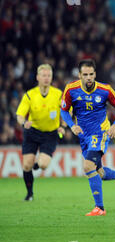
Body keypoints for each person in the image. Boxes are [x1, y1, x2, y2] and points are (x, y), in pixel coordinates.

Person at [60, 59, 115, 216]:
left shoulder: (105, 90)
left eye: (91, 74)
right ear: (79, 75)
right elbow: (64, 110)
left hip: (100, 133)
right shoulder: (71, 89)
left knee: (87, 167)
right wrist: (72, 125)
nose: (88, 78)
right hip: (83, 136)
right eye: (85, 74)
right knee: (100, 173)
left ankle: (100, 208)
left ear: (95, 74)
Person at [16, 64, 66, 201]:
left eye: (48, 75)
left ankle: (37, 164)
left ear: (51, 78)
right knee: (26, 165)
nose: (46, 78)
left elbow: (67, 112)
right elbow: (20, 114)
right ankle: (29, 194)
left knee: (43, 165)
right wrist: (23, 123)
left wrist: (63, 126)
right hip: (32, 132)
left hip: (50, 134)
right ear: (38, 77)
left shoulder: (58, 94)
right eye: (43, 75)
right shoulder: (30, 95)